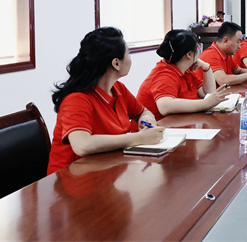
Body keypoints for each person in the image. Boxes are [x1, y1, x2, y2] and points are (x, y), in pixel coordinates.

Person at [47, 27, 164, 175]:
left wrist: (146, 119)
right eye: (128, 53)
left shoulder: (118, 89)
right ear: (116, 63)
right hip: (72, 178)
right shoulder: (77, 99)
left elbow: (142, 111)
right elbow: (82, 145)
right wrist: (139, 138)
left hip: (107, 170)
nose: (130, 58)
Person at [137, 30, 233, 120]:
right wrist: (205, 103)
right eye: (197, 47)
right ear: (189, 54)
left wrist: (206, 68)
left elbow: (207, 94)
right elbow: (165, 106)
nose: (199, 50)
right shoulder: (164, 74)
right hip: (155, 128)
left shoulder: (185, 70)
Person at [199, 21, 247, 86]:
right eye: (238, 42)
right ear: (225, 41)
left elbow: (238, 70)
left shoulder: (227, 54)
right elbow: (223, 81)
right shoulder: (211, 54)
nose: (239, 46)